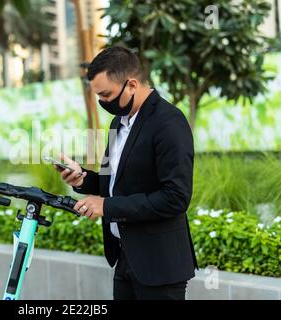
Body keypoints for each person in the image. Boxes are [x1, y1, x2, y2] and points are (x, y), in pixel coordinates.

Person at [56, 46, 198, 300]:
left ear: (132, 84)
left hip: (160, 266)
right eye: (99, 97)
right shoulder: (117, 122)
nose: (103, 103)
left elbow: (175, 198)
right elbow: (114, 182)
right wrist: (83, 179)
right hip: (125, 258)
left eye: (107, 95)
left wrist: (107, 207)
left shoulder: (169, 122)